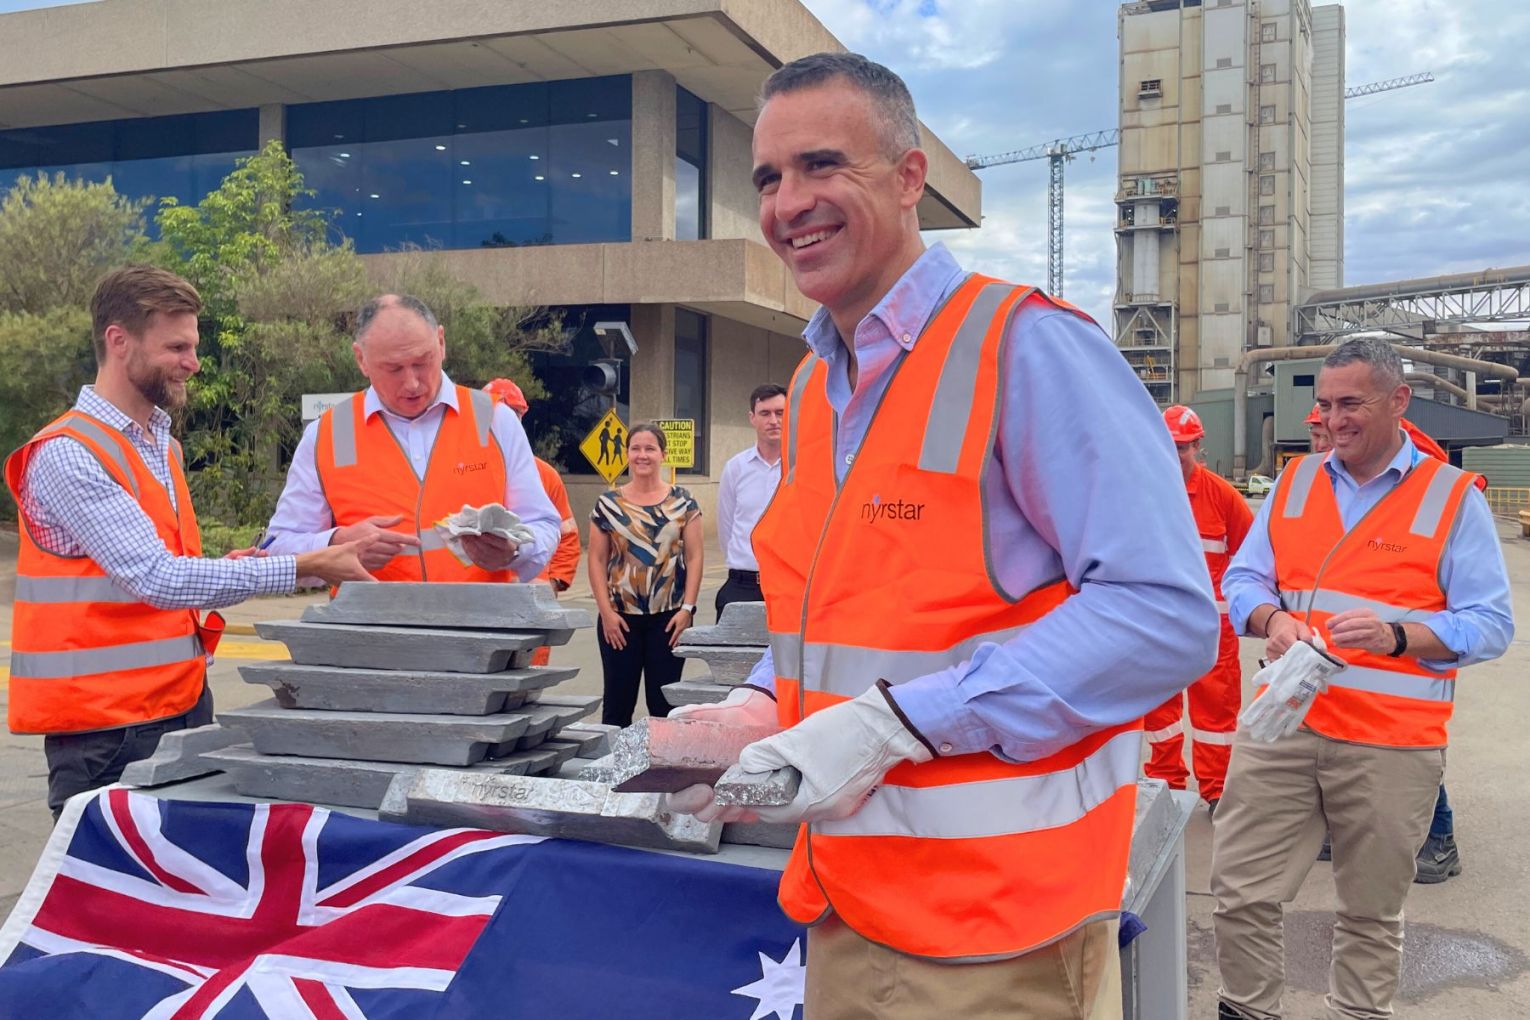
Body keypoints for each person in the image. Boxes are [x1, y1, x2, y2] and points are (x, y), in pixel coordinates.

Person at [667, 52, 1218, 1018]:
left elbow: (1164, 616)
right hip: (847, 901)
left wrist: (890, 726)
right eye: (767, 177)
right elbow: (837, 620)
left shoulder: (1029, 347)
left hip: (994, 939)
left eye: (823, 165)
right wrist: (757, 710)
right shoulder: (811, 388)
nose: (789, 201)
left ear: (911, 178)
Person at [5, 265, 373, 818]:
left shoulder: (161, 444)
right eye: (176, 347)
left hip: (180, 704)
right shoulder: (68, 453)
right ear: (118, 341)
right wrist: (302, 565)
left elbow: (164, 569)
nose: (193, 363)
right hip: (105, 734)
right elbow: (156, 578)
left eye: (193, 346)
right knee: (113, 900)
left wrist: (227, 569)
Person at [1214, 338, 1513, 1020]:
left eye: (1352, 403)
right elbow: (1243, 578)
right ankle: (1247, 1009)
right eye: (1325, 404)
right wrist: (1271, 618)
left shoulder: (1450, 498)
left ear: (1398, 402)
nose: (1334, 419)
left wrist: (1399, 637)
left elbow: (1491, 624)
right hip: (1285, 725)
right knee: (1242, 891)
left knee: (1371, 912)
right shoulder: (1294, 483)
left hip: (1391, 744)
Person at [263, 295, 559, 582]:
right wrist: (335, 543)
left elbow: (544, 525)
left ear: (441, 343)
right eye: (393, 369)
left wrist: (514, 550)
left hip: (480, 627)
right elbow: (278, 548)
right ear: (361, 360)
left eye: (422, 362)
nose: (412, 382)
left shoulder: (494, 419)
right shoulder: (328, 433)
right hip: (370, 629)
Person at [1308, 404, 1474, 882]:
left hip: (1410, 668)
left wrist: (1402, 636)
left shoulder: (1414, 475)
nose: (1324, 441)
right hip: (1347, 674)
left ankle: (1441, 841)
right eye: (1319, 432)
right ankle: (1335, 828)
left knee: (1412, 753)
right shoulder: (1328, 480)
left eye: (1324, 432)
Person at [1143, 406, 1252, 813]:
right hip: (1159, 625)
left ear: (1198, 447)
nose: (1176, 455)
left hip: (1211, 627)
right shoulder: (1144, 495)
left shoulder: (1222, 496)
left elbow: (1251, 559)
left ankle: (1216, 788)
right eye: (1169, 446)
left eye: (1183, 447)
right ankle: (1165, 781)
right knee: (1159, 711)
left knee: (1216, 715)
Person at [586, 424, 703, 727]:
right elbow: (597, 560)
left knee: (663, 705)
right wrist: (606, 613)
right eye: (636, 448)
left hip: (668, 619)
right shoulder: (608, 505)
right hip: (619, 619)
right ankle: (614, 770)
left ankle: (661, 771)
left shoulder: (684, 503)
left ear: (663, 454)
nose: (642, 455)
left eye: (650, 448)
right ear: (627, 454)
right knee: (617, 703)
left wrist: (688, 609)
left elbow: (694, 556)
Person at [484, 378, 582, 666]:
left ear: (521, 418)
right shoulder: (464, 468)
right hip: (483, 597)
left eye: (509, 414)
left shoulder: (544, 474)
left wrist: (555, 582)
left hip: (533, 599)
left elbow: (568, 534)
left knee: (527, 683)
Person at [713, 383, 786, 618]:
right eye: (765, 413)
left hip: (789, 586)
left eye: (780, 413)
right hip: (742, 585)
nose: (773, 420)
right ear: (752, 418)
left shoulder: (804, 467)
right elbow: (726, 527)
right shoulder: (736, 468)